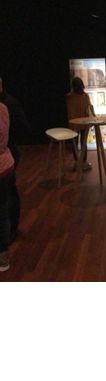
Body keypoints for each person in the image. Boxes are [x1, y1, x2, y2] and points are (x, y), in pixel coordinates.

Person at [0, 76, 31, 239]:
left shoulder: (7, 105)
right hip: (8, 155)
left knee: (7, 197)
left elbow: (23, 128)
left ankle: (9, 234)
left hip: (6, 156)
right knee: (8, 194)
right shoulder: (6, 105)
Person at [65, 76, 94, 172]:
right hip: (84, 124)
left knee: (75, 143)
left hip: (74, 124)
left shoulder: (69, 96)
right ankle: (83, 162)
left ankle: (77, 162)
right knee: (83, 143)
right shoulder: (85, 96)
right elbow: (89, 109)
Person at [0, 100, 15, 272]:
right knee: (3, 210)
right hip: (7, 164)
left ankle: (3, 257)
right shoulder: (3, 107)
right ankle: (3, 256)